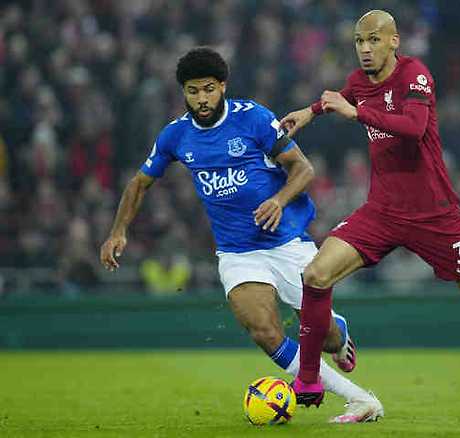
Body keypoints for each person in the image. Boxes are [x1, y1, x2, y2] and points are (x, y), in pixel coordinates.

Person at [281, 10, 460, 423]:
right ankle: (308, 380)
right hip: (381, 211)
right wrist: (309, 112)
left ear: (394, 41)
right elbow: (337, 99)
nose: (365, 49)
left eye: (374, 41)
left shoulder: (416, 75)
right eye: (359, 42)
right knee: (315, 275)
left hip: (435, 215)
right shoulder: (360, 82)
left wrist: (356, 113)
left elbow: (414, 127)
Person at [99, 47, 383, 423]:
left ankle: (339, 332)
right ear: (183, 92)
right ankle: (361, 400)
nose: (201, 99)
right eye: (193, 91)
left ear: (223, 86)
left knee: (327, 337)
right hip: (237, 253)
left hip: (288, 244)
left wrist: (279, 200)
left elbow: (303, 169)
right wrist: (117, 231)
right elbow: (139, 184)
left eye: (208, 89)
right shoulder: (175, 136)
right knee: (264, 331)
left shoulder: (253, 119)